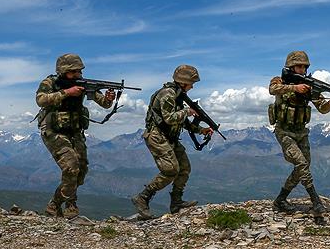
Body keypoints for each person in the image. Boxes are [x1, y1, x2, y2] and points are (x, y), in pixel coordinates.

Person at [36, 53, 115, 219]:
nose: (78, 75)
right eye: (74, 72)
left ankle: (57, 204)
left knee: (81, 169)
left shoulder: (82, 84)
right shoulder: (50, 82)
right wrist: (66, 92)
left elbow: (104, 104)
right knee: (71, 167)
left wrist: (108, 99)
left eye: (79, 71)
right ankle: (68, 203)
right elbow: (41, 100)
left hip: (74, 130)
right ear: (64, 71)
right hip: (53, 130)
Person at [131, 65, 213, 219]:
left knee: (184, 168)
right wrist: (187, 111)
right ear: (183, 82)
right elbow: (169, 119)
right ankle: (142, 198)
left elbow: (182, 122)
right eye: (191, 83)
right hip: (157, 137)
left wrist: (201, 130)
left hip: (169, 138)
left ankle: (176, 202)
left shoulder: (177, 94)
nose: (192, 86)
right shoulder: (167, 94)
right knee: (171, 170)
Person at [268, 51, 330, 224]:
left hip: (301, 132)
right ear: (291, 67)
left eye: (304, 67)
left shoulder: (309, 87)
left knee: (304, 166)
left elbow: (322, 108)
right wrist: (295, 88)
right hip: (284, 132)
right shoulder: (280, 80)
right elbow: (272, 89)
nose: (302, 69)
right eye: (299, 66)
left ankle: (280, 200)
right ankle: (315, 201)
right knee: (301, 164)